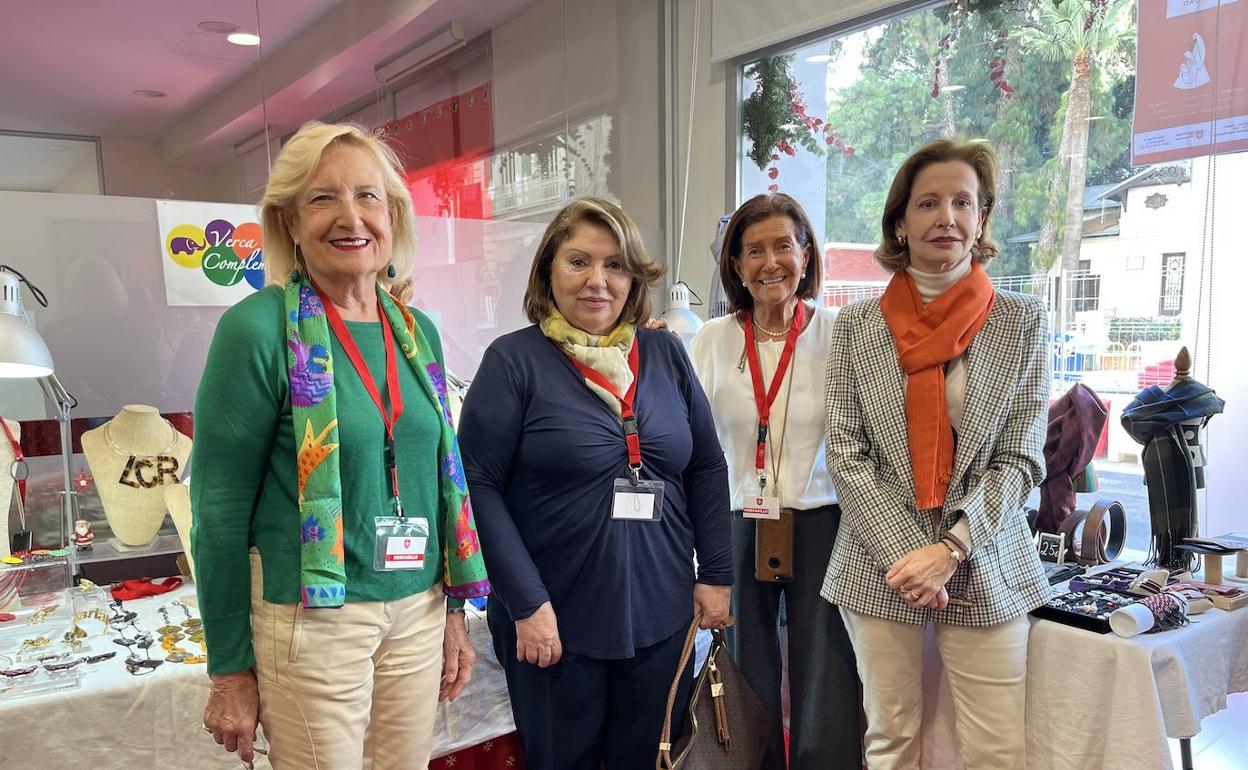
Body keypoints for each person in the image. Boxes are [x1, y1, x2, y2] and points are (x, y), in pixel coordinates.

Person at [192, 121, 489, 769]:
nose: (351, 216)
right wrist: (230, 671)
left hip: (417, 608)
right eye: (323, 198)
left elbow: (439, 483)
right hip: (313, 620)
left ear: (394, 216)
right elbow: (216, 513)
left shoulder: (418, 332)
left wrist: (453, 614)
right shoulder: (258, 329)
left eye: (368, 196)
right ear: (290, 221)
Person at [458, 197, 732, 770]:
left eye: (614, 265)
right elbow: (476, 484)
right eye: (579, 262)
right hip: (555, 623)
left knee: (648, 758)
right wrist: (527, 602)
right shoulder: (514, 361)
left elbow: (706, 465)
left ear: (633, 278)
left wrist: (717, 575)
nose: (597, 282)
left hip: (661, 613)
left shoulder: (664, 353)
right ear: (548, 271)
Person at [821, 139, 1050, 770]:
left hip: (984, 554)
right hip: (879, 561)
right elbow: (847, 452)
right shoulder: (856, 325)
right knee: (890, 739)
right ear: (901, 221)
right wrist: (909, 557)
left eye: (962, 202)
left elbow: (1022, 457)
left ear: (982, 219)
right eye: (928, 203)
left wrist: (949, 550)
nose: (945, 217)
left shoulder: (1022, 321)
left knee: (995, 747)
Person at [690, 192, 862, 769]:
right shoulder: (712, 339)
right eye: (754, 250)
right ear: (736, 266)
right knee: (743, 664)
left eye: (783, 246)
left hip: (825, 521)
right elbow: (694, 444)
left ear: (807, 255)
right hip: (739, 520)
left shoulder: (842, 332)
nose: (771, 263)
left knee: (827, 671)